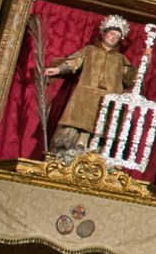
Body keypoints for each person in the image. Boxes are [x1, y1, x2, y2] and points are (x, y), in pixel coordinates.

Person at [42, 14, 137, 158]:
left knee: (100, 129)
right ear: (104, 34)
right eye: (112, 34)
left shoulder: (121, 59)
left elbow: (131, 79)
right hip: (84, 95)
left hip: (108, 99)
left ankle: (94, 156)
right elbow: (74, 62)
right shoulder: (90, 50)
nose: (113, 38)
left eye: (117, 36)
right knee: (75, 124)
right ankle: (64, 154)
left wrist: (144, 63)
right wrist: (58, 69)